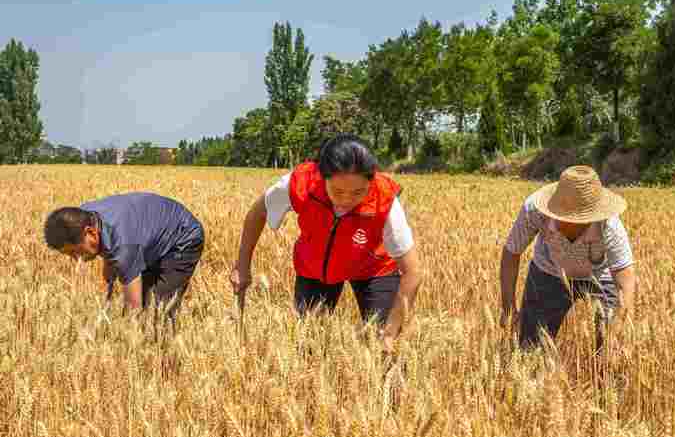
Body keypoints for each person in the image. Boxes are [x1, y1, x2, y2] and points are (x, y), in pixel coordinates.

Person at [230, 134, 422, 352]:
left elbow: (412, 271)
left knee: (382, 347)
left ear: (372, 180)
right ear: (322, 177)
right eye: (337, 192)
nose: (347, 200)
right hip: (316, 266)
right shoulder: (300, 183)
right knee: (309, 346)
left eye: (359, 192)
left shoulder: (384, 199)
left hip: (374, 268)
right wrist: (242, 265)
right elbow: (258, 212)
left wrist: (389, 332)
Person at [499, 165, 637, 350]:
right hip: (548, 272)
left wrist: (617, 329)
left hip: (599, 275)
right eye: (567, 216)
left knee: (614, 349)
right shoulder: (535, 210)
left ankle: (607, 374)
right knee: (530, 348)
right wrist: (508, 308)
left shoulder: (609, 224)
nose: (571, 222)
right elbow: (511, 253)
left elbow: (624, 277)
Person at [43, 192, 205, 329]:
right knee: (144, 300)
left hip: (183, 236)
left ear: (91, 232)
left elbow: (133, 309)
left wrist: (124, 339)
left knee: (156, 313)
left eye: (75, 251)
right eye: (69, 254)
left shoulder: (124, 245)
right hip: (149, 232)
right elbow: (109, 239)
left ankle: (164, 356)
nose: (76, 259)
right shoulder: (82, 215)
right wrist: (109, 262)